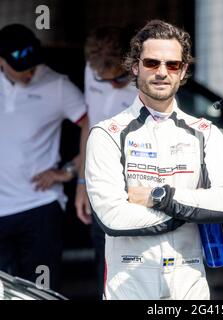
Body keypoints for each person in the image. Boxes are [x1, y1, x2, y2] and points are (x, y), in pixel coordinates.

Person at [85, 20, 223, 300]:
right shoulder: (107, 134)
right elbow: (113, 218)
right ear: (135, 66)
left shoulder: (207, 134)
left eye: (173, 65)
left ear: (184, 71)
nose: (162, 73)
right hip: (128, 286)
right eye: (152, 63)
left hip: (189, 285)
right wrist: (193, 207)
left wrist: (161, 197)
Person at [0, 24, 88, 290]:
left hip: (40, 207)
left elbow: (95, 127)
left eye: (32, 64)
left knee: (41, 292)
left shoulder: (57, 85)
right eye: (21, 66)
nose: (29, 71)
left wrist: (70, 171)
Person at [75, 26, 138, 298]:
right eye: (104, 81)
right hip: (99, 183)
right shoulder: (93, 71)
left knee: (134, 267)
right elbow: (88, 124)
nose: (111, 84)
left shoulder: (147, 81)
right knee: (103, 261)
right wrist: (81, 181)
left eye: (119, 79)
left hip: (136, 187)